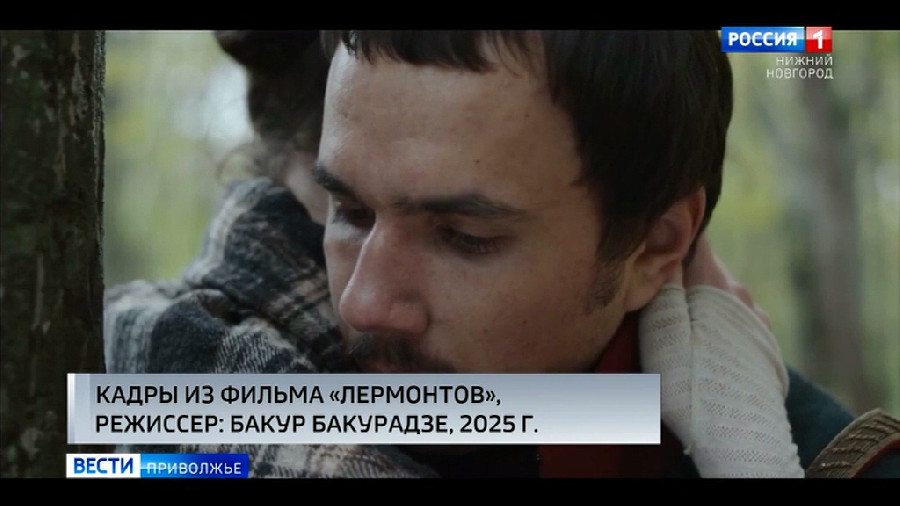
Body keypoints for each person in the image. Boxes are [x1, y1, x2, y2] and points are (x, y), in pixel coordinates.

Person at [104, 30, 899, 478]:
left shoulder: (823, 455)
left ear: (655, 247)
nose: (364, 303)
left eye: (464, 236)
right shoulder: (182, 372)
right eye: (349, 212)